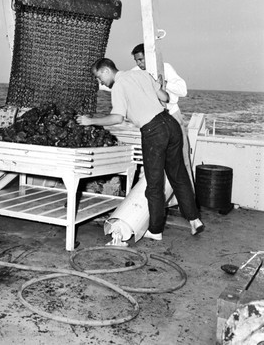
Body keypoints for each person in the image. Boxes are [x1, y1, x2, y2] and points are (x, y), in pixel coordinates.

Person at [77, 58, 204, 240]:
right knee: (179, 175)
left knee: (154, 183)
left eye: (99, 78)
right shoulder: (141, 74)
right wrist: (156, 86)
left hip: (153, 131)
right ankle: (194, 220)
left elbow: (117, 118)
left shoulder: (119, 85)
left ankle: (156, 230)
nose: (101, 82)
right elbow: (165, 98)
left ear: (106, 71)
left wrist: (90, 120)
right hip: (171, 124)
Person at [131, 43, 194, 184]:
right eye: (136, 60)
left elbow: (183, 90)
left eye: (141, 59)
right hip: (154, 120)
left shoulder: (165, 67)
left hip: (172, 115)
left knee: (182, 159)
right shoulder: (135, 72)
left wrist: (163, 82)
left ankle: (187, 195)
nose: (139, 63)